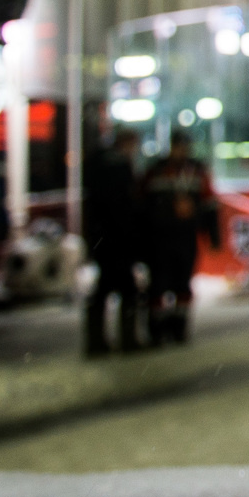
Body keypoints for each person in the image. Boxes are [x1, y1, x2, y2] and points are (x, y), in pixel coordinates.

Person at [139, 129, 220, 346]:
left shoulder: (196, 172)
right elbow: (143, 205)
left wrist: (213, 236)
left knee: (183, 283)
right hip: (160, 237)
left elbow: (209, 205)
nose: (182, 151)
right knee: (158, 284)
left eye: (185, 147)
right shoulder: (157, 171)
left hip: (186, 235)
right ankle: (157, 330)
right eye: (178, 147)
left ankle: (179, 328)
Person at [81, 129, 146, 356]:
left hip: (101, 236)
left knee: (104, 287)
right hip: (117, 237)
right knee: (126, 287)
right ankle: (126, 340)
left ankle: (96, 341)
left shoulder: (97, 161)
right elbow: (124, 204)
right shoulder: (119, 166)